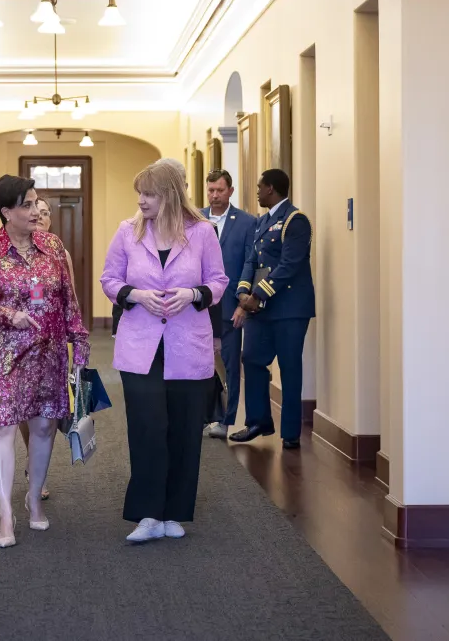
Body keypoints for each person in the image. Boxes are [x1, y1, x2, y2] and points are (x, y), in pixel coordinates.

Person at [101, 158, 227, 543]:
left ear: (170, 195)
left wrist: (193, 294)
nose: (140, 200)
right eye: (138, 193)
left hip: (187, 347)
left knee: (185, 430)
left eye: (149, 194)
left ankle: (175, 512)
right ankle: (148, 513)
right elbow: (109, 279)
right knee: (147, 428)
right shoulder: (127, 232)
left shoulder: (202, 232)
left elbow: (218, 280)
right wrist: (135, 295)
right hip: (140, 347)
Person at [0, 176, 89, 548]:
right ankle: (5, 513)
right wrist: (8, 314)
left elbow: (68, 300)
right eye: (28, 205)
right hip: (2, 357)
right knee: (3, 428)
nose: (36, 211)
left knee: (44, 428)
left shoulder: (52, 247)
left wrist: (78, 343)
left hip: (48, 354)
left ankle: (33, 498)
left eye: (37, 204)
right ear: (6, 212)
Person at [232, 168, 316, 449]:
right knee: (252, 359)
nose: (256, 191)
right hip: (261, 309)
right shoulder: (261, 222)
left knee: (290, 368)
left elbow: (290, 265)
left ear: (271, 189)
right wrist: (243, 291)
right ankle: (258, 421)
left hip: (289, 309)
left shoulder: (295, 220)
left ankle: (290, 433)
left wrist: (258, 293)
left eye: (259, 187)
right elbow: (250, 260)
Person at [17, 196, 77, 501]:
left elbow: (71, 298)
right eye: (33, 212)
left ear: (50, 219)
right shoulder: (12, 251)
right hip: (20, 342)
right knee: (26, 410)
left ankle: (38, 471)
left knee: (49, 413)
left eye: (44, 214)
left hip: (52, 342)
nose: (38, 217)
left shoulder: (59, 253)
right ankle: (32, 459)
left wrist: (74, 336)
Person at [200, 169, 256, 439]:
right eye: (210, 190)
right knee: (198, 364)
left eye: (220, 190)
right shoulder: (195, 218)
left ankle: (226, 420)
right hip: (198, 305)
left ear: (230, 191)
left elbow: (250, 263)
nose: (214, 195)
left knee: (231, 365)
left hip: (230, 304)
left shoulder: (247, 222)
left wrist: (243, 305)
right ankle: (201, 416)